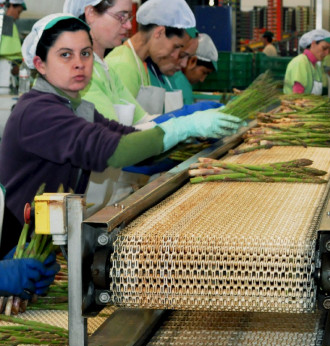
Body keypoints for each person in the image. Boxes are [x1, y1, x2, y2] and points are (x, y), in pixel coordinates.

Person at [0, 14, 243, 249]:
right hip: (18, 247)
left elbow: (124, 135)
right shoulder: (38, 112)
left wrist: (188, 140)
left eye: (85, 53)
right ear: (40, 64)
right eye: (65, 55)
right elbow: (113, 150)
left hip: (48, 239)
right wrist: (183, 126)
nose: (78, 63)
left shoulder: (78, 107)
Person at [105, 0, 197, 115]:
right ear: (159, 32)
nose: (174, 55)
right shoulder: (123, 65)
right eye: (175, 46)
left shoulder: (139, 63)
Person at [170, 33, 219, 105]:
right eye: (204, 72)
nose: (202, 80)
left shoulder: (179, 80)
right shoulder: (180, 83)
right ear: (192, 61)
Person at [283, 29, 330, 95]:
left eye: (329, 49)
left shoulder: (316, 66)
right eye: (324, 48)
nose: (327, 53)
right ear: (313, 44)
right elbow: (298, 97)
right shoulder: (300, 62)